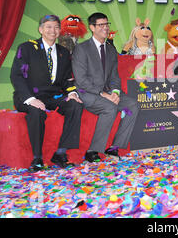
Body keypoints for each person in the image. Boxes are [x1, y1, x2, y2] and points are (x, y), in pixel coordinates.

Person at [10, 15, 83, 172]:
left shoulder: (63, 52)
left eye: (56, 27)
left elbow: (67, 79)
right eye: (48, 27)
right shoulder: (27, 48)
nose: (53, 30)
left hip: (53, 97)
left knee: (75, 106)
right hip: (28, 96)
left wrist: (72, 93)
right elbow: (16, 76)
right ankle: (37, 158)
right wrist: (30, 99)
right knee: (36, 111)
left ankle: (61, 153)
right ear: (41, 29)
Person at [72, 12, 140, 162]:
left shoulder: (110, 50)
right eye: (100, 25)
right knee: (109, 107)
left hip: (108, 92)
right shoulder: (81, 49)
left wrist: (115, 92)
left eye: (106, 24)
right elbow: (81, 80)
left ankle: (114, 147)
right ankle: (92, 151)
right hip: (88, 93)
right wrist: (105, 94)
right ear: (92, 27)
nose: (105, 28)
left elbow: (114, 76)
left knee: (133, 105)